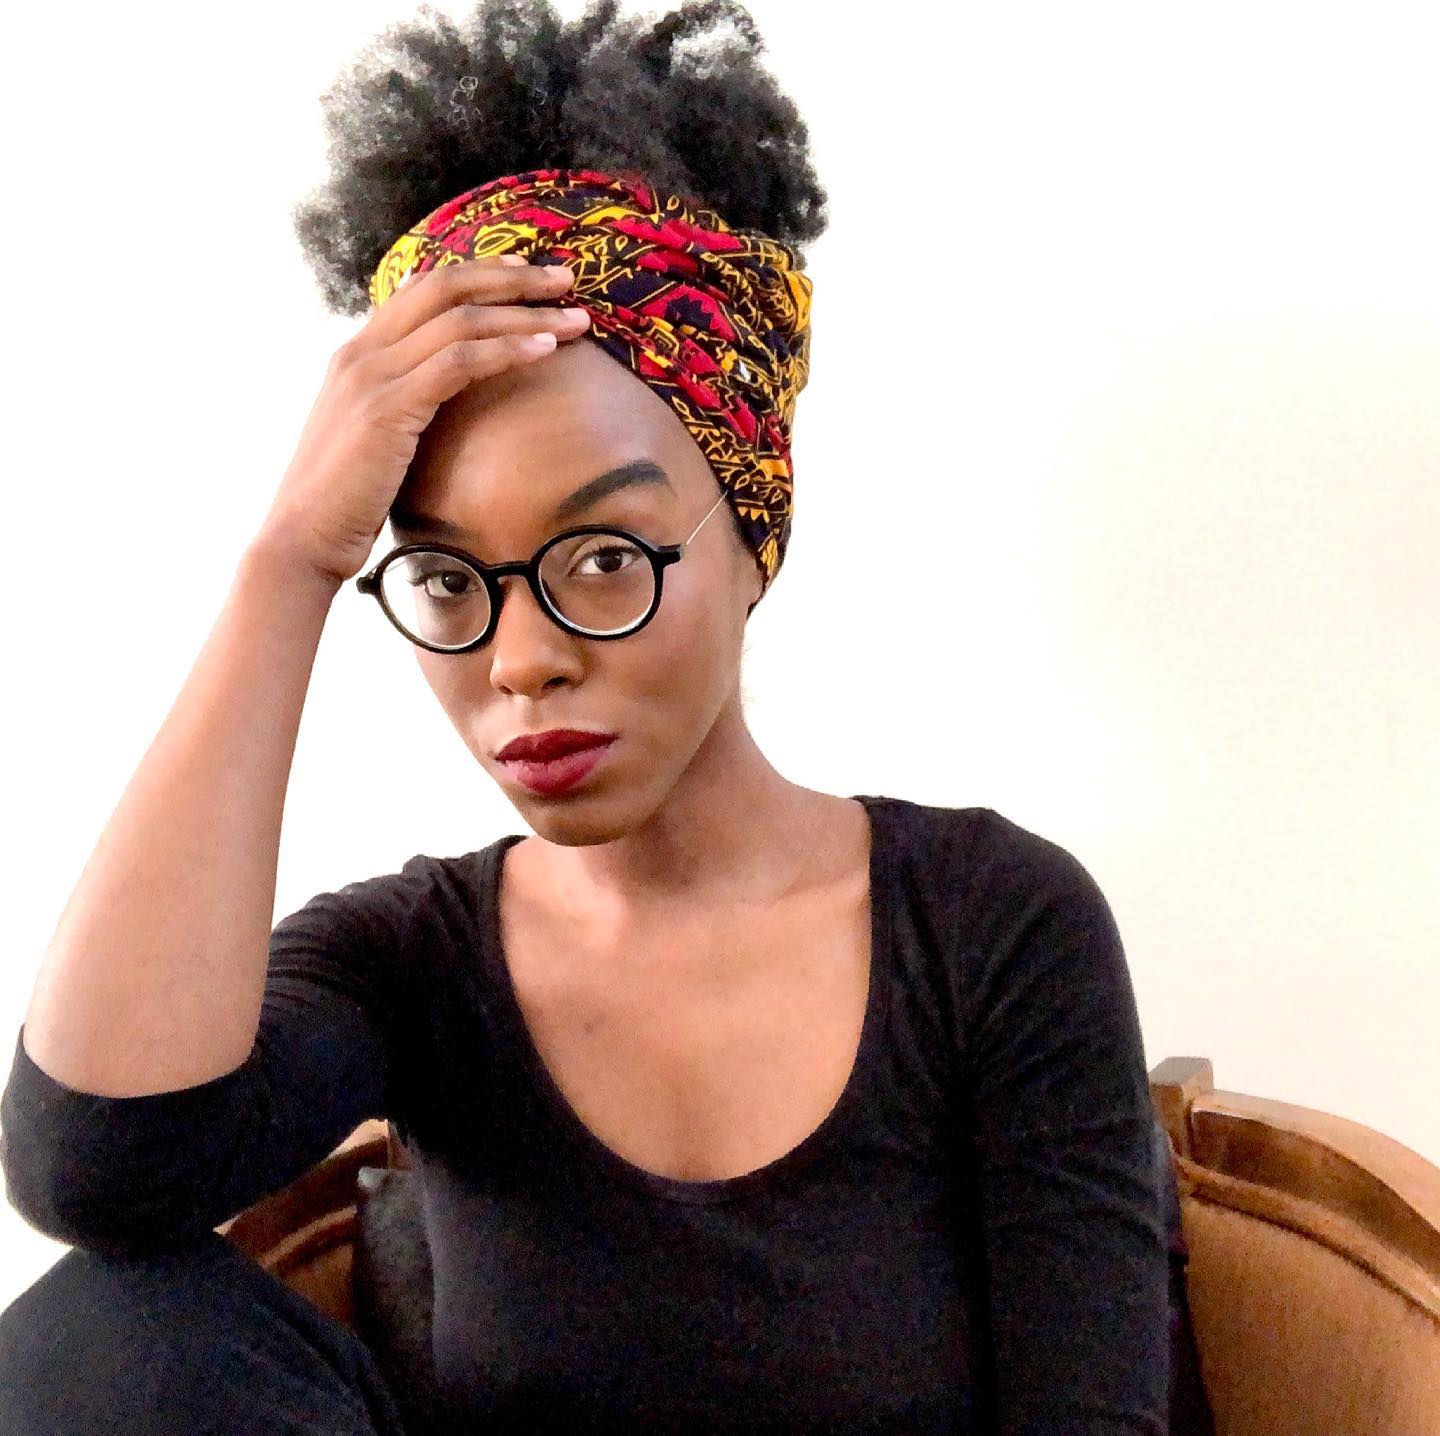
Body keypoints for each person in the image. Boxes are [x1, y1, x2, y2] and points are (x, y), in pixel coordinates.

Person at [0, 2, 1201, 1432]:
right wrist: (292, 564)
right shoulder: (411, 961)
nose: (521, 660)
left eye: (605, 559)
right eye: (448, 579)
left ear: (749, 540)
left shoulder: (993, 927)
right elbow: (94, 1171)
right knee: (104, 1335)